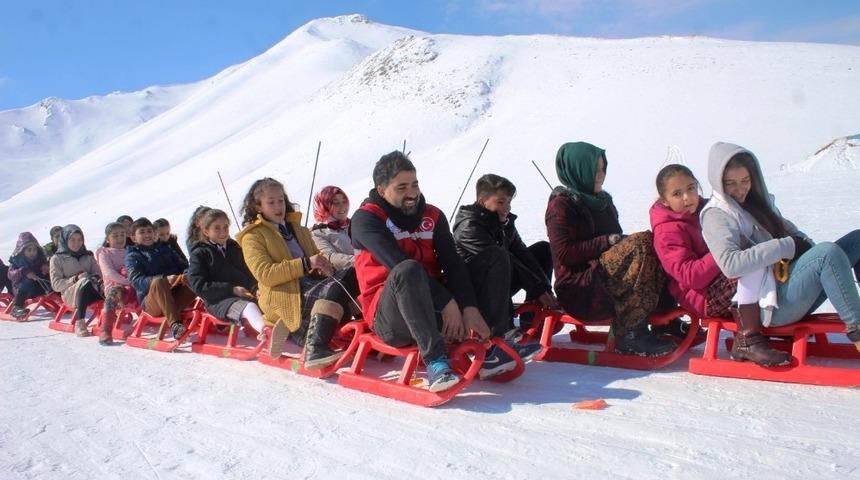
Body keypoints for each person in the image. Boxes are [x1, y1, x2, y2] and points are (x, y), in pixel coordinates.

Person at [352, 151, 504, 392]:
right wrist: (447, 302)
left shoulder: (432, 215)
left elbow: (452, 264)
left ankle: (493, 341)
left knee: (493, 257)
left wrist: (468, 306)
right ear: (382, 191)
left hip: (433, 304)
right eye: (401, 187)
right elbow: (397, 263)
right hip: (390, 317)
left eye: (414, 184)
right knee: (408, 269)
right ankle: (436, 361)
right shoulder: (366, 219)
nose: (412, 193)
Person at [701, 142, 860, 354]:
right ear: (718, 182)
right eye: (731, 183)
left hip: (788, 285)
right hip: (769, 306)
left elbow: (795, 235)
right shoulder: (717, 215)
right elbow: (730, 264)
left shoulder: (757, 203)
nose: (740, 189)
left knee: (857, 240)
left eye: (745, 180)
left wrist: (801, 246)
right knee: (827, 254)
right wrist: (786, 246)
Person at [650, 164, 788, 366]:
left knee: (767, 259)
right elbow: (691, 277)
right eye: (677, 194)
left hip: (720, 276)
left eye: (691, 188)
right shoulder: (667, 231)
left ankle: (778, 322)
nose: (687, 197)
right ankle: (748, 340)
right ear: (665, 200)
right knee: (751, 262)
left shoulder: (710, 210)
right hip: (703, 296)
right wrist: (723, 251)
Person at [546, 142, 675, 357]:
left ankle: (663, 319)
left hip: (605, 279)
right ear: (579, 170)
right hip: (580, 288)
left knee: (651, 242)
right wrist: (606, 241)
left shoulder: (603, 201)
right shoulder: (561, 205)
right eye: (594, 169)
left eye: (603, 168)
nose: (600, 175)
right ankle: (630, 334)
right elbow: (564, 253)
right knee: (641, 243)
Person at [235, 178, 352, 370]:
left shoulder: (298, 228)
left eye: (280, 200)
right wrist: (306, 263)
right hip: (284, 294)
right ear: (258, 206)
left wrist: (324, 266)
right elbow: (265, 274)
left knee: (351, 276)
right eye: (271, 202)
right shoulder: (252, 237)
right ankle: (314, 346)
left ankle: (305, 329)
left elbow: (316, 255)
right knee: (338, 288)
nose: (278, 206)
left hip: (310, 285)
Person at [452, 173, 555, 358]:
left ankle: (532, 319)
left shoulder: (504, 223)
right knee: (499, 255)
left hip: (499, 280)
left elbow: (522, 254)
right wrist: (537, 287)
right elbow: (505, 259)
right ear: (483, 201)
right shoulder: (469, 225)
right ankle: (499, 336)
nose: (507, 208)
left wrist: (544, 287)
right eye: (501, 202)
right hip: (475, 290)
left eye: (509, 202)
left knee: (543, 250)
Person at [187, 209, 264, 334]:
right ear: (206, 231)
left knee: (269, 300)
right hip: (218, 300)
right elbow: (199, 286)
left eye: (225, 227)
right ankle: (266, 332)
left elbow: (248, 273)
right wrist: (231, 289)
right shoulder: (199, 254)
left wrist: (256, 289)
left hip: (243, 294)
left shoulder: (235, 248)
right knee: (249, 307)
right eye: (217, 228)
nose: (222, 232)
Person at [126, 217, 195, 339]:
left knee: (196, 276)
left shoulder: (166, 249)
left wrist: (185, 275)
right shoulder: (133, 256)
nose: (147, 235)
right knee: (158, 282)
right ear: (133, 238)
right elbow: (136, 281)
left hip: (174, 296)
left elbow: (184, 266)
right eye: (142, 232)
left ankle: (215, 312)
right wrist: (165, 279)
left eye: (149, 231)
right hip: (152, 302)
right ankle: (176, 325)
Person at [49, 225, 112, 342]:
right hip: (71, 294)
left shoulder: (88, 255)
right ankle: (80, 322)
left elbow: (98, 273)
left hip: (91, 289)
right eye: (72, 240)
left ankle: (112, 316)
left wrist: (95, 277)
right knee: (84, 281)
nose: (76, 243)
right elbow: (56, 285)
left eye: (79, 240)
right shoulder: (57, 258)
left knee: (106, 285)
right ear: (65, 240)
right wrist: (75, 279)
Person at [7, 232, 52, 319]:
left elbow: (45, 266)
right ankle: (17, 307)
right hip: (22, 290)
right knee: (28, 280)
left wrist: (45, 268)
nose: (32, 252)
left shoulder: (40, 258)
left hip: (39, 286)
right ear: (22, 250)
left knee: (50, 277)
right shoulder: (17, 260)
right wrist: (23, 271)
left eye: (34, 250)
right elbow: (10, 274)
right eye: (29, 250)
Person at [95, 222, 136, 308]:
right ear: (107, 239)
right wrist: (128, 282)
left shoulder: (130, 252)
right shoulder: (104, 253)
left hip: (133, 285)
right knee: (116, 291)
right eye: (115, 236)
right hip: (115, 287)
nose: (120, 238)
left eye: (122, 235)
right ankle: (108, 317)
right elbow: (109, 273)